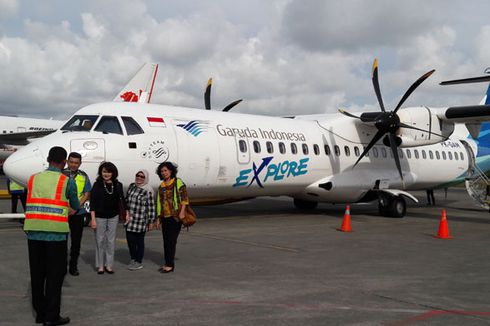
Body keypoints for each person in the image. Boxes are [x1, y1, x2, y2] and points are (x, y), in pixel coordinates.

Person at [24, 146, 79, 326]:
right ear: (64, 162)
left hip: (33, 232)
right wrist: (70, 209)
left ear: (48, 159)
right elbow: (76, 205)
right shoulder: (66, 181)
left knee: (37, 274)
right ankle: (51, 316)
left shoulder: (33, 179)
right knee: (55, 276)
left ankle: (40, 313)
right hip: (55, 234)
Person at [90, 162, 127, 274]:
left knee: (111, 241)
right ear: (101, 172)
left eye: (109, 172)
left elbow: (122, 200)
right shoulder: (97, 185)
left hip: (113, 216)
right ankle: (100, 266)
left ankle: (109, 265)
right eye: (104, 171)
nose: (106, 174)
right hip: (100, 216)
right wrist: (93, 219)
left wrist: (126, 213)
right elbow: (93, 203)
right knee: (99, 240)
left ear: (113, 173)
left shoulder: (118, 185)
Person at [154, 162, 189, 273]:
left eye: (166, 170)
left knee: (171, 241)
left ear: (171, 171)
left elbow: (184, 198)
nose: (164, 173)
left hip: (175, 216)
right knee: (166, 241)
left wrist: (182, 212)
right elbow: (159, 202)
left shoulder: (177, 182)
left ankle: (170, 265)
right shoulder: (162, 186)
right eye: (162, 171)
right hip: (165, 216)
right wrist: (158, 218)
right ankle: (167, 262)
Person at [62, 152, 91, 276]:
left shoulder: (83, 176)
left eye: (76, 162)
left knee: (76, 242)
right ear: (67, 162)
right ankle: (62, 266)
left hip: (78, 213)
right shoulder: (61, 174)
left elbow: (86, 193)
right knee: (61, 241)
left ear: (80, 163)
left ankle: (73, 266)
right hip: (62, 212)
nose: (73, 164)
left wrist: (76, 207)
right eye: (71, 162)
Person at [125, 169, 156, 270]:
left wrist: (151, 222)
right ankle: (133, 258)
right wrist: (126, 212)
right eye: (138, 175)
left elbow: (151, 207)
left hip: (141, 220)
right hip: (130, 220)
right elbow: (126, 201)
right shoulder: (132, 186)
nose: (139, 178)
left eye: (142, 177)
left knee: (139, 242)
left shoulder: (148, 190)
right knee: (130, 241)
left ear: (145, 178)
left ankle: (138, 261)